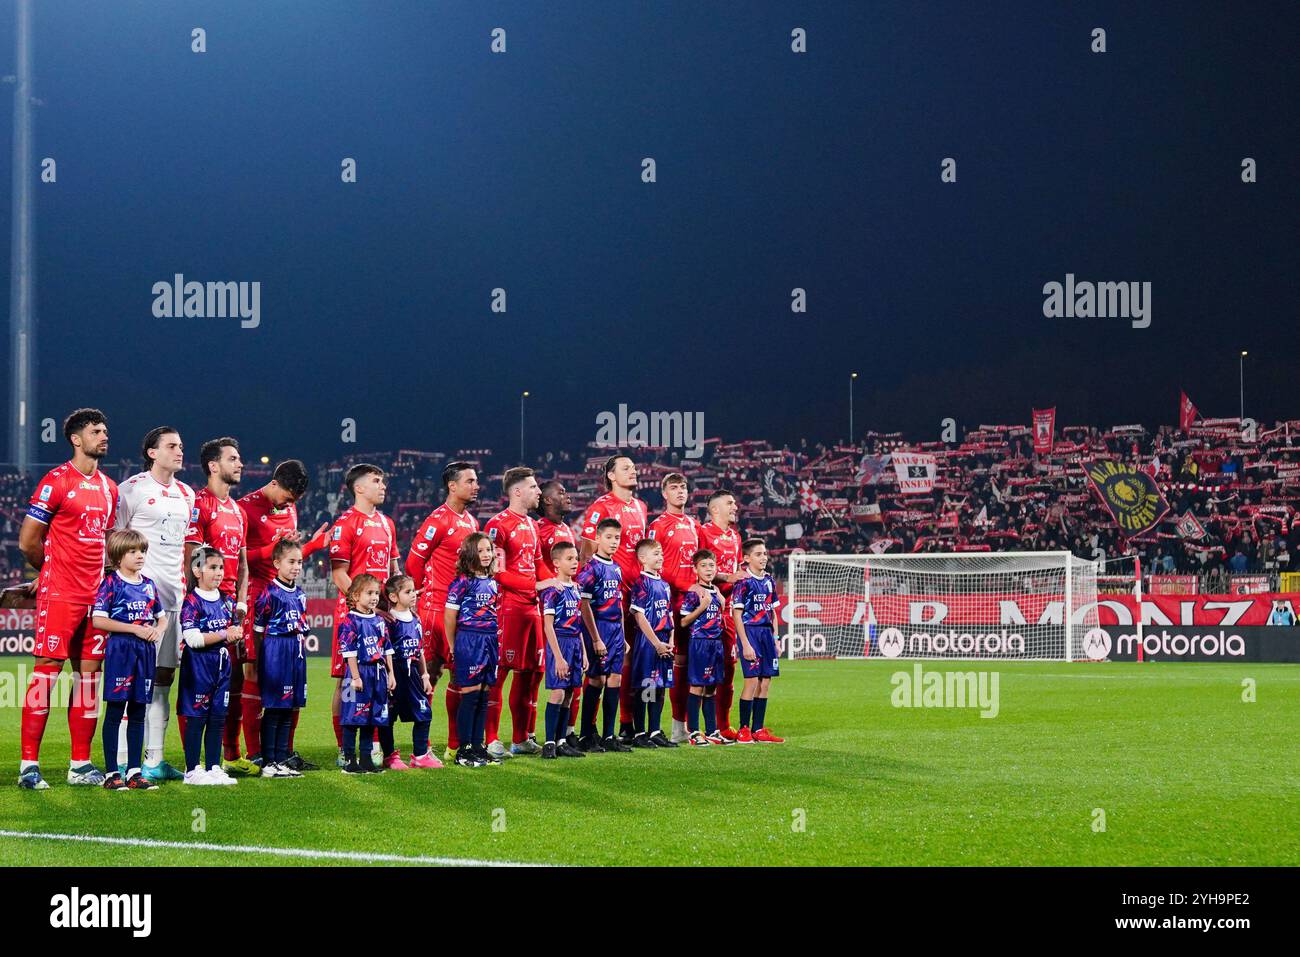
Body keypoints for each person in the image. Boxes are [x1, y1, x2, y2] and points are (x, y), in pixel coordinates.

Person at [18, 408, 119, 790]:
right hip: (61, 593)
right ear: (77, 439)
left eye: (105, 430)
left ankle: (80, 764)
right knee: (46, 674)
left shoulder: (110, 488)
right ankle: (29, 765)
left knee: (89, 678)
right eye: (96, 431)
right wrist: (48, 574)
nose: (104, 436)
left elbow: (107, 543)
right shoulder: (56, 481)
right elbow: (29, 540)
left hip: (97, 599)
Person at [113, 426, 196, 782]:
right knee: (130, 682)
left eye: (180, 446)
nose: (179, 451)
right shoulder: (130, 490)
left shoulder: (187, 494)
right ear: (152, 452)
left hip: (173, 600)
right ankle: (120, 761)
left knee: (163, 678)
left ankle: (155, 759)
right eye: (171, 446)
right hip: (138, 603)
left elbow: (185, 548)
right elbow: (112, 544)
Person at [237, 460, 327, 774]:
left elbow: (288, 554)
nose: (289, 505)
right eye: (287, 497)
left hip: (286, 594)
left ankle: (284, 752)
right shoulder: (244, 509)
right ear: (274, 483)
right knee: (253, 670)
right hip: (255, 594)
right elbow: (235, 555)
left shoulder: (289, 509)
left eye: (294, 502)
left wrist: (313, 545)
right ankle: (256, 753)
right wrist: (267, 550)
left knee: (290, 675)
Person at [404, 461, 480, 763]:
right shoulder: (438, 519)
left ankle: (453, 745)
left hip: (462, 612)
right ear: (452, 485)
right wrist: (420, 592)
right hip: (435, 609)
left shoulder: (471, 523)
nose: (475, 486)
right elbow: (413, 562)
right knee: (428, 675)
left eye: (476, 481)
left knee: (460, 679)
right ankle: (420, 749)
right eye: (470, 481)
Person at [183, 437, 250, 772]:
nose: (240, 464)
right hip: (204, 606)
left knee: (231, 681)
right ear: (213, 465)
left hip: (229, 610)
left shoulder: (238, 511)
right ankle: (192, 764)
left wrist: (239, 603)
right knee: (197, 685)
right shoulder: (199, 504)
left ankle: (226, 757)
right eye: (233, 458)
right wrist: (194, 602)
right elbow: (190, 558)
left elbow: (242, 563)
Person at [326, 464, 398, 768]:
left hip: (382, 616)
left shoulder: (387, 523)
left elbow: (394, 570)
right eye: (376, 481)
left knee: (379, 678)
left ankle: (373, 747)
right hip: (353, 617)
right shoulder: (345, 523)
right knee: (347, 680)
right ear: (359, 488)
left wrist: (395, 604)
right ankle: (345, 747)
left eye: (382, 481)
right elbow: (339, 573)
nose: (382, 486)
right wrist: (363, 606)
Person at [485, 467, 560, 757]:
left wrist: (554, 581)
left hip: (534, 607)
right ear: (517, 491)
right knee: (500, 672)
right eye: (533, 487)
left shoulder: (531, 525)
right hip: (510, 608)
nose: (539, 492)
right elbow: (497, 572)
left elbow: (538, 561)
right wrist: (537, 583)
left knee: (530, 673)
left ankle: (520, 738)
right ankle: (491, 738)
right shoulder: (498, 525)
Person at [577, 454, 648, 742]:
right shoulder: (601, 507)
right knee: (597, 666)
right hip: (608, 600)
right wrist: (588, 595)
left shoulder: (641, 507)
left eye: (633, 467)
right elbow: (585, 553)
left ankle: (625, 725)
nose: (633, 471)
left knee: (629, 661)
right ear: (610, 476)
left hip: (636, 594)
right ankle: (588, 730)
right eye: (625, 468)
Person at [94, 530, 166, 791]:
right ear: (117, 555)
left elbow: (162, 616)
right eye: (133, 551)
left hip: (145, 652)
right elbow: (98, 619)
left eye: (142, 551)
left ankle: (135, 772)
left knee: (138, 710)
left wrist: (159, 630)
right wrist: (134, 628)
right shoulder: (112, 583)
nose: (139, 556)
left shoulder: (148, 584)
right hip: (121, 649)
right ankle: (112, 772)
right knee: (115, 710)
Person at [177, 546, 240, 785]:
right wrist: (225, 633)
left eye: (221, 567)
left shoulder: (226, 601)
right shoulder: (191, 602)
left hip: (222, 665)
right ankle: (192, 769)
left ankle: (214, 766)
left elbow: (232, 628)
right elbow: (193, 639)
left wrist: (236, 633)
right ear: (197, 570)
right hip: (199, 666)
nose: (219, 572)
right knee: (197, 718)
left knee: (217, 717)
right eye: (212, 567)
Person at [647, 472, 700, 743]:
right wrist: (684, 586)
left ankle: (690, 724)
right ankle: (673, 725)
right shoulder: (658, 526)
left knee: (693, 665)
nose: (680, 492)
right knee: (674, 665)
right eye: (674, 488)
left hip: (695, 603)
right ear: (664, 494)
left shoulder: (693, 524)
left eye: (683, 488)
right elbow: (654, 566)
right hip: (672, 603)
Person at [252, 539, 311, 777]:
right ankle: (268, 762)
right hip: (276, 650)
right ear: (277, 563)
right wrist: (260, 660)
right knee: (275, 708)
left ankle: (282, 759)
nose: (296, 566)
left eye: (300, 562)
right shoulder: (269, 593)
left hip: (295, 651)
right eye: (291, 561)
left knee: (288, 707)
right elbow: (258, 631)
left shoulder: (300, 593)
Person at [444, 533, 501, 768]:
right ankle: (463, 750)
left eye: (489, 550)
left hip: (489, 640)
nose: (486, 554)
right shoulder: (461, 582)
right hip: (469, 639)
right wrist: (452, 645)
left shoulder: (493, 582)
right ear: (470, 554)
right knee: (470, 693)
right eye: (481, 550)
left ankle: (478, 746)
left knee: (484, 693)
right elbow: (449, 616)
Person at [574, 518, 631, 752]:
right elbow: (584, 605)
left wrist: (624, 636)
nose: (613, 542)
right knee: (597, 679)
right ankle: (587, 734)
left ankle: (609, 736)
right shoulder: (590, 569)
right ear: (597, 538)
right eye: (608, 537)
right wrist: (596, 638)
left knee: (615, 679)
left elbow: (618, 603)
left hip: (616, 630)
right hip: (598, 629)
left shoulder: (616, 568)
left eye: (617, 538)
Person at [337, 574, 396, 775]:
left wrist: (391, 675)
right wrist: (355, 677)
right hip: (357, 674)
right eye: (369, 593)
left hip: (377, 675)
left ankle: (366, 759)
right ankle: (349, 760)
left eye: (376, 593)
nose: (374, 597)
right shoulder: (349, 621)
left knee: (372, 719)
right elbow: (349, 652)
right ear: (355, 595)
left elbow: (387, 649)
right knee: (352, 719)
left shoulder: (379, 621)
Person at [536, 480, 580, 742]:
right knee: (539, 680)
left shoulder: (565, 529)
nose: (568, 495)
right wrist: (550, 585)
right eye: (562, 492)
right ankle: (533, 736)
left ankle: (565, 736)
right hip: (548, 611)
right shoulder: (539, 529)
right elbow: (537, 563)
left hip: (570, 618)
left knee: (572, 688)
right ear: (548, 500)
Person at [697, 489, 743, 739]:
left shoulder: (735, 537)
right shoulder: (702, 533)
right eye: (730, 503)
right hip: (706, 610)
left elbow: (735, 572)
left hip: (728, 611)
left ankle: (723, 726)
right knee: (703, 670)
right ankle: (694, 727)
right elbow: (698, 569)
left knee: (728, 667)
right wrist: (725, 577)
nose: (735, 506)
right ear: (715, 510)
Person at [383, 574, 440, 768]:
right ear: (393, 597)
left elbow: (420, 650)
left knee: (424, 712)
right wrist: (389, 674)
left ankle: (420, 755)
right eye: (408, 591)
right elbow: (385, 651)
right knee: (388, 716)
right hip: (395, 674)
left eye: (414, 590)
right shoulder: (389, 621)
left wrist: (425, 675)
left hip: (413, 673)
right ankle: (389, 756)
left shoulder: (416, 618)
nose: (414, 594)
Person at [730, 538, 784, 744]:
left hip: (767, 635)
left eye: (765, 554)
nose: (764, 558)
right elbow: (737, 614)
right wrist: (745, 643)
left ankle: (758, 729)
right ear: (746, 558)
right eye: (758, 554)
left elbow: (773, 613)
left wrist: (777, 639)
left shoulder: (769, 580)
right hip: (750, 633)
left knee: (766, 682)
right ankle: (744, 729)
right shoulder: (743, 582)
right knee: (751, 681)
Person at [539, 541, 588, 759]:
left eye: (576, 558)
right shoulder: (552, 590)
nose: (575, 562)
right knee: (558, 691)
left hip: (575, 644)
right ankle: (549, 742)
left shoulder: (577, 589)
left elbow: (578, 625)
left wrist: (584, 652)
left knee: (570, 693)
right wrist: (558, 657)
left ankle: (561, 741)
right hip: (559, 642)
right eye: (569, 559)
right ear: (556, 563)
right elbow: (548, 625)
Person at [677, 549, 730, 747]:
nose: (708, 569)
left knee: (711, 687)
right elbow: (683, 622)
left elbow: (718, 617)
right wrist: (702, 606)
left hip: (716, 643)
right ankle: (694, 732)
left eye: (711, 566)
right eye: (703, 566)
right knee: (697, 686)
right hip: (699, 642)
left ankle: (712, 731)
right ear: (695, 569)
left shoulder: (716, 591)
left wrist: (720, 604)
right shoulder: (694, 592)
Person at [628, 539, 676, 748]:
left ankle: (655, 730)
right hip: (649, 642)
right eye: (656, 554)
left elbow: (669, 615)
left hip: (664, 641)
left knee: (660, 686)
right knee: (647, 686)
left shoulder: (664, 585)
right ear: (643, 558)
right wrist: (656, 642)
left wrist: (671, 641)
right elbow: (639, 616)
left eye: (661, 553)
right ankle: (640, 732)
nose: (661, 557)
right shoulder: (641, 583)